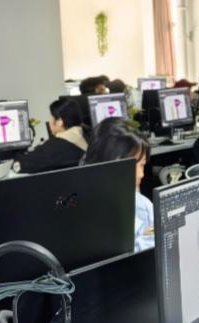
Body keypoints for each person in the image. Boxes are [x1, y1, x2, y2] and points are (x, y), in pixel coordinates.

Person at [82, 118, 154, 251]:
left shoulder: (142, 203)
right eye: (133, 166)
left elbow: (160, 231)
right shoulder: (86, 214)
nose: (141, 174)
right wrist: (147, 237)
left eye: (142, 165)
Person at [15, 97, 89, 174]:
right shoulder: (86, 134)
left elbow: (21, 165)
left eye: (51, 117)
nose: (50, 121)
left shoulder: (57, 145)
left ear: (59, 122)